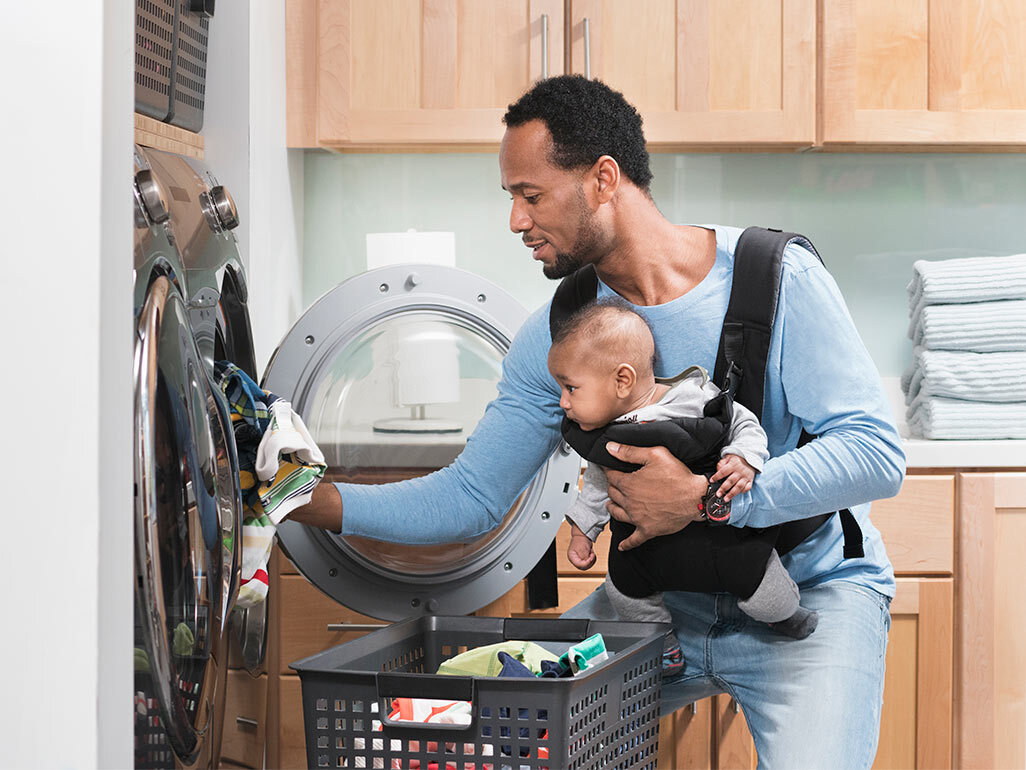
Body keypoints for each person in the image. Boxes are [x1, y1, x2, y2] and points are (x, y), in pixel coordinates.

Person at [291, 74, 905, 767]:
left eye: (530, 195)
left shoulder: (775, 279)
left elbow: (875, 455)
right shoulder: (561, 338)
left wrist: (706, 501)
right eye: (511, 199)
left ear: (602, 180)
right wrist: (296, 501)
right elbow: (469, 498)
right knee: (487, 740)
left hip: (809, 597)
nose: (516, 221)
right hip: (658, 606)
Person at [549, 299, 818, 677]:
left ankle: (786, 614)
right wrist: (582, 533)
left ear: (622, 381)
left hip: (725, 544)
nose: (562, 402)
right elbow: (597, 485)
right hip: (643, 554)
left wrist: (743, 459)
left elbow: (743, 422)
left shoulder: (692, 399)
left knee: (764, 595)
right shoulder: (603, 436)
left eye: (570, 388)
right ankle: (663, 645)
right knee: (622, 594)